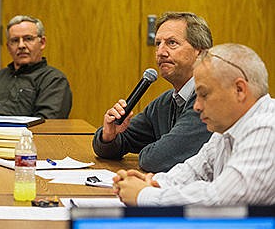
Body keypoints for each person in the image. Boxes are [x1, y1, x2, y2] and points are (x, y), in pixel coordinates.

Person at [113, 43, 275, 206]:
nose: (197, 106)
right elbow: (193, 171)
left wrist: (144, 195)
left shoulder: (268, 127)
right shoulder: (226, 129)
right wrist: (153, 182)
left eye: (204, 94)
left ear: (239, 90)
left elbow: (222, 200)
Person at [93, 12, 213, 172]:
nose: (161, 52)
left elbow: (158, 160)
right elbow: (114, 145)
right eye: (158, 44)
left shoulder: (209, 99)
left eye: (172, 43)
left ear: (200, 52)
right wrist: (109, 135)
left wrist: (152, 149)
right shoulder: (165, 102)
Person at [0, 15, 72, 119]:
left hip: (24, 134)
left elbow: (47, 125)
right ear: (8, 47)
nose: (21, 45)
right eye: (15, 40)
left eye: (28, 39)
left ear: (42, 43)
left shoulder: (53, 80)